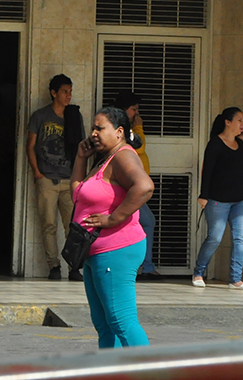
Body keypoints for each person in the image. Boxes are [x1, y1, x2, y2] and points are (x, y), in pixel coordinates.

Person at [70, 106, 153, 348]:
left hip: (116, 250)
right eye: (93, 128)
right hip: (94, 252)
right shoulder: (104, 159)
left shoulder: (123, 156)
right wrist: (79, 158)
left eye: (99, 128)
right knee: (104, 324)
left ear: (118, 132)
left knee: (121, 321)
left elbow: (145, 186)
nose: (93, 133)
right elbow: (76, 193)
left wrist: (113, 219)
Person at [192, 107, 243, 290]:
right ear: (227, 122)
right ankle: (198, 272)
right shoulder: (215, 144)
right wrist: (203, 195)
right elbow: (208, 171)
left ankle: (236, 279)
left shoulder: (241, 144)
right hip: (218, 199)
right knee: (215, 237)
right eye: (239, 120)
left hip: (241, 199)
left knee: (240, 239)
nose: (242, 124)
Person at [28, 73, 86, 280]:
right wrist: (37, 172)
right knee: (49, 225)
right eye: (64, 91)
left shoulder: (73, 115)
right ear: (53, 93)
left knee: (73, 226)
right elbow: (31, 146)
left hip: (69, 179)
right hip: (47, 178)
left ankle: (74, 267)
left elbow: (81, 148)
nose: (68, 96)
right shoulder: (40, 116)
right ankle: (54, 266)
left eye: (70, 92)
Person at [115, 90, 163, 280]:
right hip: (128, 187)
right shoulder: (121, 128)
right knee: (146, 222)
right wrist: (139, 128)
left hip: (134, 186)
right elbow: (138, 146)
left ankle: (143, 266)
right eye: (134, 109)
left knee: (140, 223)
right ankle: (144, 267)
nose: (137, 114)